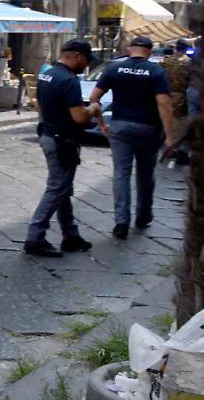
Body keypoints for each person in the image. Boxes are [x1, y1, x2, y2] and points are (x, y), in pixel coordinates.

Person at [25, 39, 102, 258]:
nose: (86, 66)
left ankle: (70, 235)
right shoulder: (69, 80)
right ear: (77, 56)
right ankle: (35, 237)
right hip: (62, 140)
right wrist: (93, 108)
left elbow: (37, 103)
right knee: (57, 189)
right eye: (86, 60)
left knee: (63, 189)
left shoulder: (47, 74)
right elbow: (78, 116)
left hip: (48, 134)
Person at [90, 35, 173, 239]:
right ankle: (143, 215)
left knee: (121, 173)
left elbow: (94, 98)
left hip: (119, 126)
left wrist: (102, 124)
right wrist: (170, 136)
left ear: (129, 49)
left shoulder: (114, 69)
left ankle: (121, 222)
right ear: (150, 51)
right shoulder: (156, 71)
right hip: (148, 128)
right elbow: (164, 104)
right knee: (145, 174)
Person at [161, 40, 190, 120]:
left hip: (166, 94)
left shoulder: (165, 60)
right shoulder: (188, 62)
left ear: (176, 48)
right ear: (186, 49)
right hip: (182, 96)